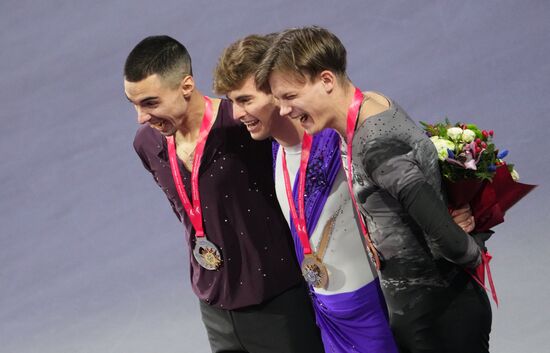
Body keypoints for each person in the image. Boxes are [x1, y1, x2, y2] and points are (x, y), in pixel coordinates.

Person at [213, 33, 482, 353]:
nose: (236, 113)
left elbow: (409, 165)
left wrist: (450, 206)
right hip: (327, 313)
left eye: (245, 100)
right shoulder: (274, 150)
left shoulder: (336, 136)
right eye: (232, 102)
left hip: (376, 306)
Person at [124, 35, 324, 353]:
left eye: (150, 103)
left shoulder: (243, 125)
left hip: (278, 303)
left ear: (186, 87)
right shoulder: (146, 144)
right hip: (214, 308)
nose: (141, 117)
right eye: (134, 104)